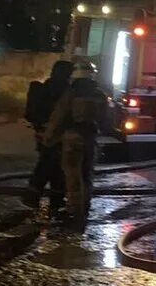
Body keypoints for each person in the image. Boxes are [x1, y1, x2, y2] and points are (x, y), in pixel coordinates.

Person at [42, 62, 124, 231]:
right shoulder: (100, 95)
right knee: (86, 175)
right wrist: (117, 133)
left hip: (72, 139)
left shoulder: (71, 94)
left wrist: (48, 138)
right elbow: (106, 121)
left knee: (72, 175)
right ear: (92, 75)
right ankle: (84, 208)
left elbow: (59, 117)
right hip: (90, 138)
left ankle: (74, 211)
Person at [22, 60, 73, 213]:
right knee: (50, 164)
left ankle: (49, 198)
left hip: (42, 132)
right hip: (56, 134)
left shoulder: (42, 88)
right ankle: (41, 197)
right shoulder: (65, 91)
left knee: (51, 164)